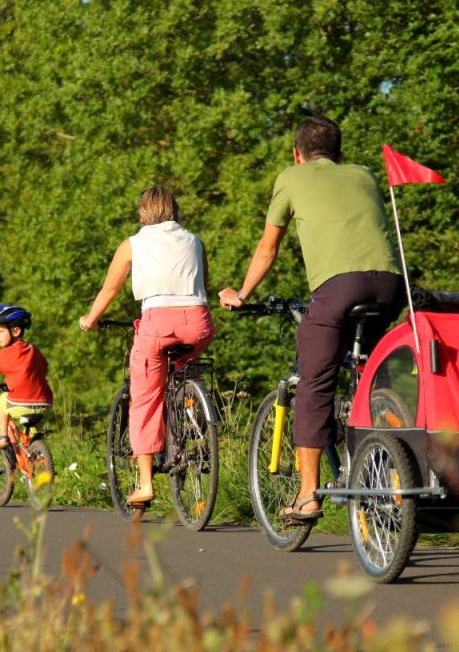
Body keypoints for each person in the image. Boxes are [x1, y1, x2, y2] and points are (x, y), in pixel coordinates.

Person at [219, 117, 403, 522]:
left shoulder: (291, 176)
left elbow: (268, 249)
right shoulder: (365, 174)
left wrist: (242, 294)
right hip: (391, 287)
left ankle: (307, 495)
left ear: (296, 154)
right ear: (340, 154)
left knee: (315, 384)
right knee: (371, 373)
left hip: (339, 289)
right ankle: (387, 459)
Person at [79, 186, 215, 506]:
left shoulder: (133, 244)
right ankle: (190, 407)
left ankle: (145, 484)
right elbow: (202, 286)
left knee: (145, 399)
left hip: (156, 326)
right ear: (174, 209)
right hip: (199, 324)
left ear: (143, 212)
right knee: (183, 369)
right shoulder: (195, 240)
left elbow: (109, 290)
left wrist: (90, 319)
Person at [0, 304, 54, 448]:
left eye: (0, 331)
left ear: (15, 331)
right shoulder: (34, 350)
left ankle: (2, 437)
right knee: (32, 441)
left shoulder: (6, 353)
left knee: (3, 399)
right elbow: (44, 368)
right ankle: (37, 458)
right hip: (45, 403)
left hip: (21, 404)